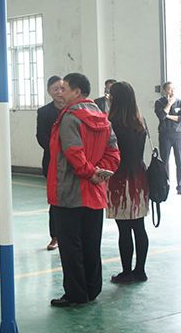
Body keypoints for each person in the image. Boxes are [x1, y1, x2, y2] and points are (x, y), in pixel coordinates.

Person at [47, 73, 120, 307]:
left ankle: (75, 294)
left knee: (71, 248)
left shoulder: (70, 118)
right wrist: (100, 172)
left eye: (64, 88)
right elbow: (113, 153)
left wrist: (90, 172)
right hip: (95, 193)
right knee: (91, 244)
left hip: (69, 193)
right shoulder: (103, 118)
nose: (60, 92)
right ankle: (92, 289)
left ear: (77, 92)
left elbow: (73, 153)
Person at [106, 82, 149, 284]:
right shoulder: (140, 122)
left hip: (119, 179)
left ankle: (126, 272)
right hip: (139, 177)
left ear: (116, 99)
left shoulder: (112, 123)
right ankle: (140, 271)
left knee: (124, 229)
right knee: (139, 227)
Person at [36, 75, 64, 251]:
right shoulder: (44, 112)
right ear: (49, 92)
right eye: (55, 89)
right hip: (53, 161)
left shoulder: (73, 108)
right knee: (55, 201)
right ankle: (55, 236)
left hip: (76, 161)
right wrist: (58, 151)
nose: (60, 92)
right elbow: (41, 137)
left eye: (62, 88)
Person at [154, 82, 181, 195]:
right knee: (165, 161)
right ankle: (165, 186)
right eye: (169, 89)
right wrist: (169, 104)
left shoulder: (180, 102)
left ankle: (180, 187)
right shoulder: (159, 102)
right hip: (165, 135)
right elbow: (161, 116)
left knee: (180, 162)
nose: (172, 91)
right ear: (164, 91)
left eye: (173, 89)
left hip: (178, 135)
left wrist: (168, 116)